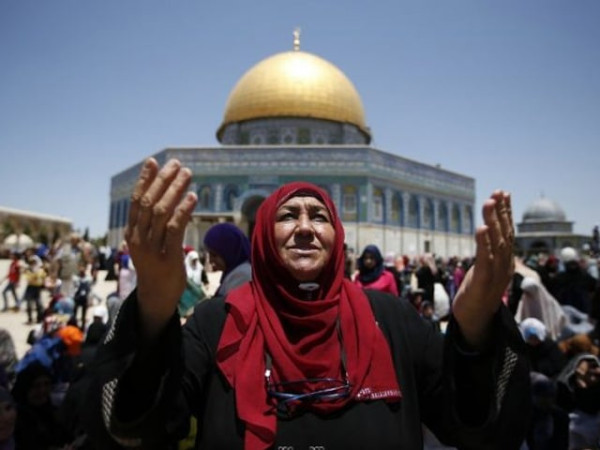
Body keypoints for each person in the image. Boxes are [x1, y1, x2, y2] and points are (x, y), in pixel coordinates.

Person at [83, 158, 530, 449]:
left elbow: (471, 423)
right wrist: (154, 304)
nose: (304, 228)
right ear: (262, 234)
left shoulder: (390, 321)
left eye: (318, 216)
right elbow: (139, 429)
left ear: (338, 236)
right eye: (286, 215)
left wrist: (474, 325)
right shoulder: (219, 322)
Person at [203, 222, 252, 297]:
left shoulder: (242, 275)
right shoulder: (235, 272)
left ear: (229, 252)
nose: (210, 261)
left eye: (214, 255)